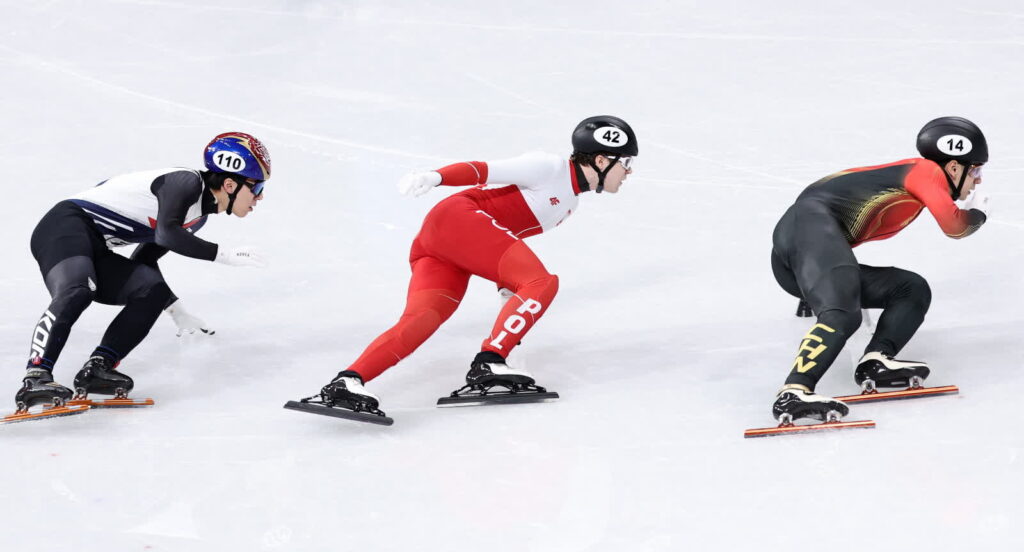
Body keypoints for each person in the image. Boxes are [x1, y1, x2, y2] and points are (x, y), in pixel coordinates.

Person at [312, 116, 638, 416]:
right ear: (600, 159)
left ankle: (348, 380)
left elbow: (506, 238)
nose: (629, 172)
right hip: (460, 219)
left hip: (444, 242)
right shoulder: (550, 168)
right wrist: (436, 176)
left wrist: (507, 290)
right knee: (543, 282)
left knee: (422, 319)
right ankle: (490, 361)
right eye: (625, 162)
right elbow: (484, 170)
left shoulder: (569, 203)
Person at [16, 132, 271, 414]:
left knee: (152, 291)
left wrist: (177, 312)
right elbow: (167, 234)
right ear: (229, 183)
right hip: (64, 227)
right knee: (78, 289)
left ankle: (98, 368)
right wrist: (224, 255)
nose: (259, 198)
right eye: (257, 189)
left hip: (95, 246)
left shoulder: (198, 217)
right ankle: (35, 376)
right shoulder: (185, 182)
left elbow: (146, 258)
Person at [770, 116, 988, 423]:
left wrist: (812, 286)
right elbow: (954, 226)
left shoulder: (912, 182)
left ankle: (876, 360)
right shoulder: (926, 171)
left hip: (799, 251)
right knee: (844, 312)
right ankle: (793, 391)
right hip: (802, 235)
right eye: (975, 169)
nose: (977, 179)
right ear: (954, 166)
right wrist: (979, 213)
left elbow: (830, 222)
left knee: (911, 288)